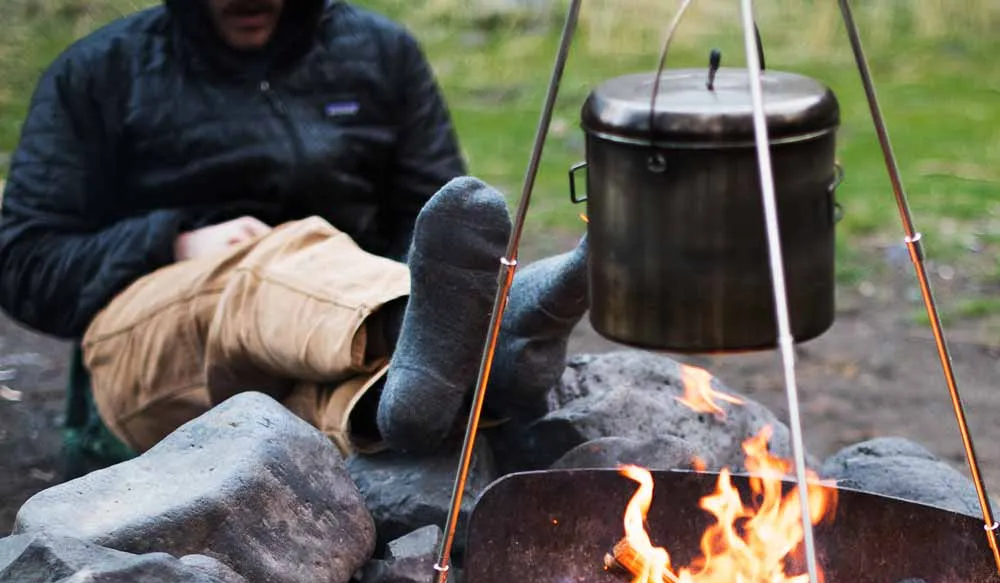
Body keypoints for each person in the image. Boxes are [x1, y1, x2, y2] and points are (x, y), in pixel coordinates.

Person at [0, 0, 589, 461]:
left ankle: (394, 399)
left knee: (378, 398)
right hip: (156, 344)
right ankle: (479, 331)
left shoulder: (380, 55)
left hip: (330, 347)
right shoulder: (98, 74)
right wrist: (172, 241)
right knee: (273, 259)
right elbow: (23, 261)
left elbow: (432, 227)